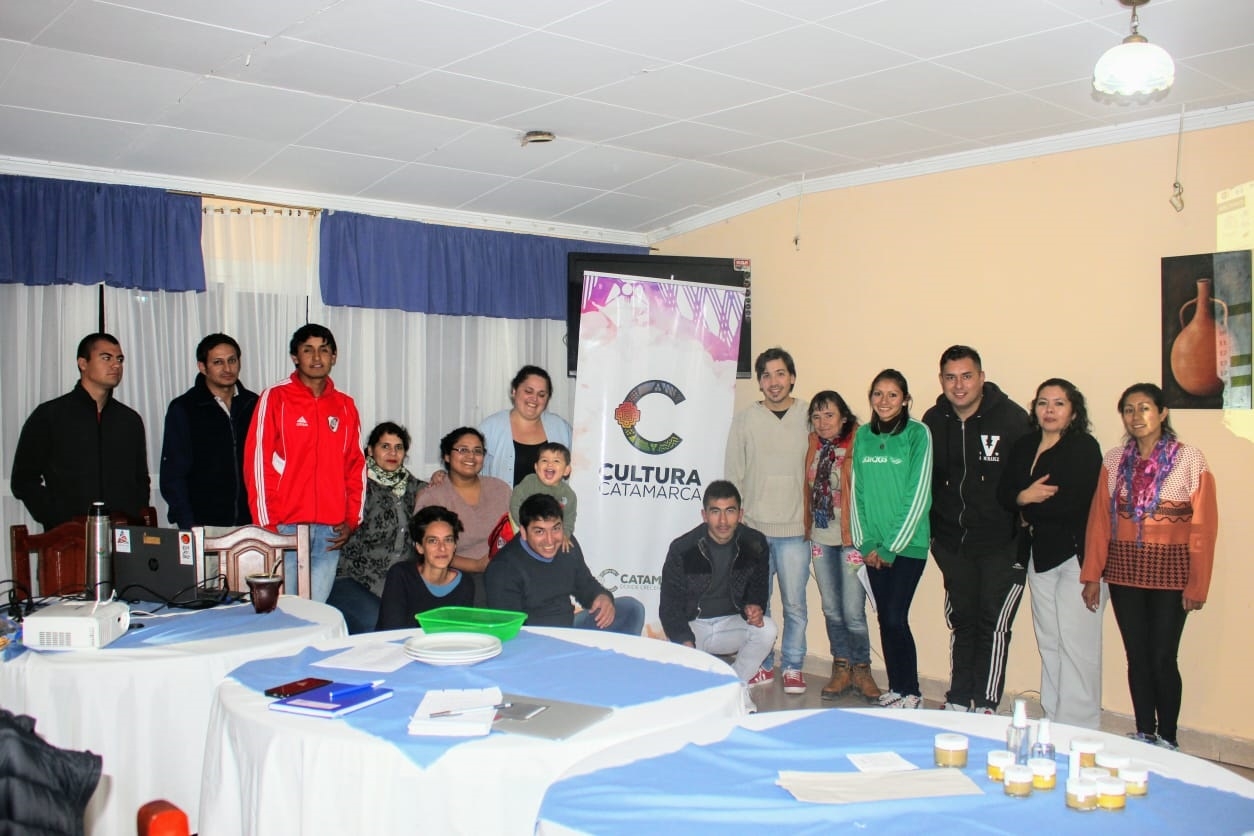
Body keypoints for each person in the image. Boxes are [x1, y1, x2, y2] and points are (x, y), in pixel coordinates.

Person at [1081, 383, 1217, 751]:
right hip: (1124, 574)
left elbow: (1204, 527)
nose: (1136, 416)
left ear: (1162, 413)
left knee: (1162, 657)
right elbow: (1100, 522)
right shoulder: (1114, 460)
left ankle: (1168, 738)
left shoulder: (1190, 460)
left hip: (1172, 576)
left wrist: (1197, 584)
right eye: (1128, 409)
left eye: (1144, 408)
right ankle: (1145, 733)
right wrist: (1092, 575)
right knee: (1137, 657)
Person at [922, 345, 1030, 714]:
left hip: (1001, 544)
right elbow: (927, 480)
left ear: (981, 378)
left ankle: (984, 703)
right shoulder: (933, 420)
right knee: (962, 622)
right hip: (953, 545)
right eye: (951, 377)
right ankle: (958, 698)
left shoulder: (1012, 420)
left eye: (967, 376)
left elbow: (1027, 477)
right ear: (941, 380)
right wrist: (935, 536)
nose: (959, 385)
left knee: (992, 625)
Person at [998, 379, 1103, 728]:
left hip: (1076, 557)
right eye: (1043, 402)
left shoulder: (1084, 447)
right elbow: (1004, 493)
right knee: (1050, 641)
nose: (1050, 410)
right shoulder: (1025, 444)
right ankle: (1056, 718)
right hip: (1038, 555)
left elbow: (1076, 503)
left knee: (1078, 644)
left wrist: (1026, 507)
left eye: (1059, 403)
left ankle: (1081, 726)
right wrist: (1023, 498)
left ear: (1073, 411)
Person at [245, 324, 365, 603]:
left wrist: (351, 520)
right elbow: (257, 463)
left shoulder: (345, 405)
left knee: (316, 610)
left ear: (334, 356)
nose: (316, 357)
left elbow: (356, 467)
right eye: (308, 350)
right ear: (295, 357)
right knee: (284, 610)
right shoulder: (275, 397)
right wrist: (267, 525)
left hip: (330, 530)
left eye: (324, 350)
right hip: (285, 526)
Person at [724, 347, 810, 694]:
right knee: (759, 604)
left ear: (792, 377)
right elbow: (733, 474)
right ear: (759, 382)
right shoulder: (745, 420)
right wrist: (736, 524)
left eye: (780, 374)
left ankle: (793, 665)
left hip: (795, 530)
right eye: (766, 375)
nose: (774, 382)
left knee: (795, 605)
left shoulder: (808, 415)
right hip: (755, 531)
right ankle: (763, 665)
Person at [849, 369, 932, 710]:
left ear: (905, 400)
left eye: (892, 395)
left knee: (896, 617)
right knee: (885, 618)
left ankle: (912, 691)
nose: (884, 401)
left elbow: (918, 493)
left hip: (908, 547)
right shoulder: (863, 435)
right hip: (873, 549)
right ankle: (896, 688)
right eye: (878, 394)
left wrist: (890, 547)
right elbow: (857, 492)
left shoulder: (917, 434)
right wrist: (866, 544)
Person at [11, 332, 149, 529]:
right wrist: (56, 517)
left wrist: (133, 513)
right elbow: (23, 480)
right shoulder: (50, 415)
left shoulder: (129, 420)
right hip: (67, 535)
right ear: (83, 363)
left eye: (120, 359)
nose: (116, 365)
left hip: (122, 534)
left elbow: (140, 480)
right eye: (106, 358)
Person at [804, 390, 880, 702]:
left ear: (844, 417)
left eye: (829, 415)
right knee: (831, 608)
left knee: (852, 610)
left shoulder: (859, 443)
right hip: (821, 539)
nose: (822, 422)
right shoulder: (813, 445)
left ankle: (862, 669)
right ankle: (841, 667)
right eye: (817, 416)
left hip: (851, 540)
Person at [659, 480, 776, 681]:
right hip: (694, 626)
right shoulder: (683, 549)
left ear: (740, 514)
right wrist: (684, 641)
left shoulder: (755, 543)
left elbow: (758, 589)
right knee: (690, 686)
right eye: (715, 512)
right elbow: (669, 607)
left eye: (730, 511)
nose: (723, 521)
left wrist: (754, 607)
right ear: (704, 515)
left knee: (767, 630)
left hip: (732, 624)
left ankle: (736, 684)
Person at [486, 493, 644, 634]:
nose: (550, 540)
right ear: (523, 532)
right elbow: (511, 629)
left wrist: (601, 596)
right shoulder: (503, 568)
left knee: (632, 609)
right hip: (534, 638)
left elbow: (585, 584)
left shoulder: (567, 545)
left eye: (556, 529)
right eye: (539, 531)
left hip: (570, 629)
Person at [328, 422, 428, 633]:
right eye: (385, 446)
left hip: (399, 582)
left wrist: (440, 477)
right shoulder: (355, 486)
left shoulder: (414, 486)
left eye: (398, 447)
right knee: (377, 623)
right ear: (371, 451)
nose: (393, 453)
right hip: (353, 578)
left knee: (420, 624)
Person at [159, 334, 258, 530]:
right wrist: (188, 523)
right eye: (218, 362)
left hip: (251, 523)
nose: (227, 369)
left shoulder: (254, 404)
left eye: (232, 360)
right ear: (202, 367)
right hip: (203, 525)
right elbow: (173, 474)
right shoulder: (185, 408)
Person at [414, 427, 511, 601]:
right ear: (447, 456)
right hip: (454, 574)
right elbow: (427, 549)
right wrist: (476, 565)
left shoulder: (500, 488)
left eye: (477, 451)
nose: (471, 456)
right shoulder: (433, 496)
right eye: (463, 450)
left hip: (504, 569)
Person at [376, 505, 474, 631]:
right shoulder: (401, 576)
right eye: (433, 541)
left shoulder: (464, 583)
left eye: (448, 540)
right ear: (420, 547)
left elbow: (460, 633)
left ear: (455, 545)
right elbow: (393, 632)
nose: (442, 548)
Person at [481, 365, 573, 486]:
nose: (534, 398)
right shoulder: (490, 428)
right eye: (528, 391)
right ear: (514, 391)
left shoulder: (561, 427)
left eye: (541, 395)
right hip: (501, 498)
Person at [508, 441, 577, 550]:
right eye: (544, 460)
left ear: (566, 470)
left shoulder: (568, 495)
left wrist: (565, 534)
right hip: (522, 528)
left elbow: (569, 518)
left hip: (550, 536)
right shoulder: (529, 482)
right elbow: (515, 504)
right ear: (536, 467)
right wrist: (525, 526)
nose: (550, 464)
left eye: (556, 461)